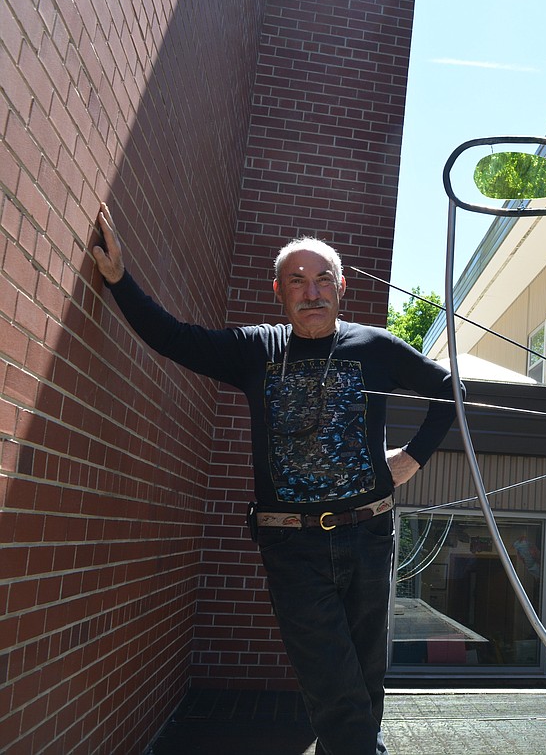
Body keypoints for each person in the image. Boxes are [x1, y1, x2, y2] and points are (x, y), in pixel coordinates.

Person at [91, 203, 459, 755]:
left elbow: (447, 389)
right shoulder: (255, 350)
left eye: (323, 279)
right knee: (330, 675)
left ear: (342, 287)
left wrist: (413, 457)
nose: (312, 292)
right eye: (298, 281)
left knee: (363, 672)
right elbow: (172, 337)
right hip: (293, 543)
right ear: (279, 292)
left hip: (369, 533)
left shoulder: (376, 347)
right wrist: (119, 281)